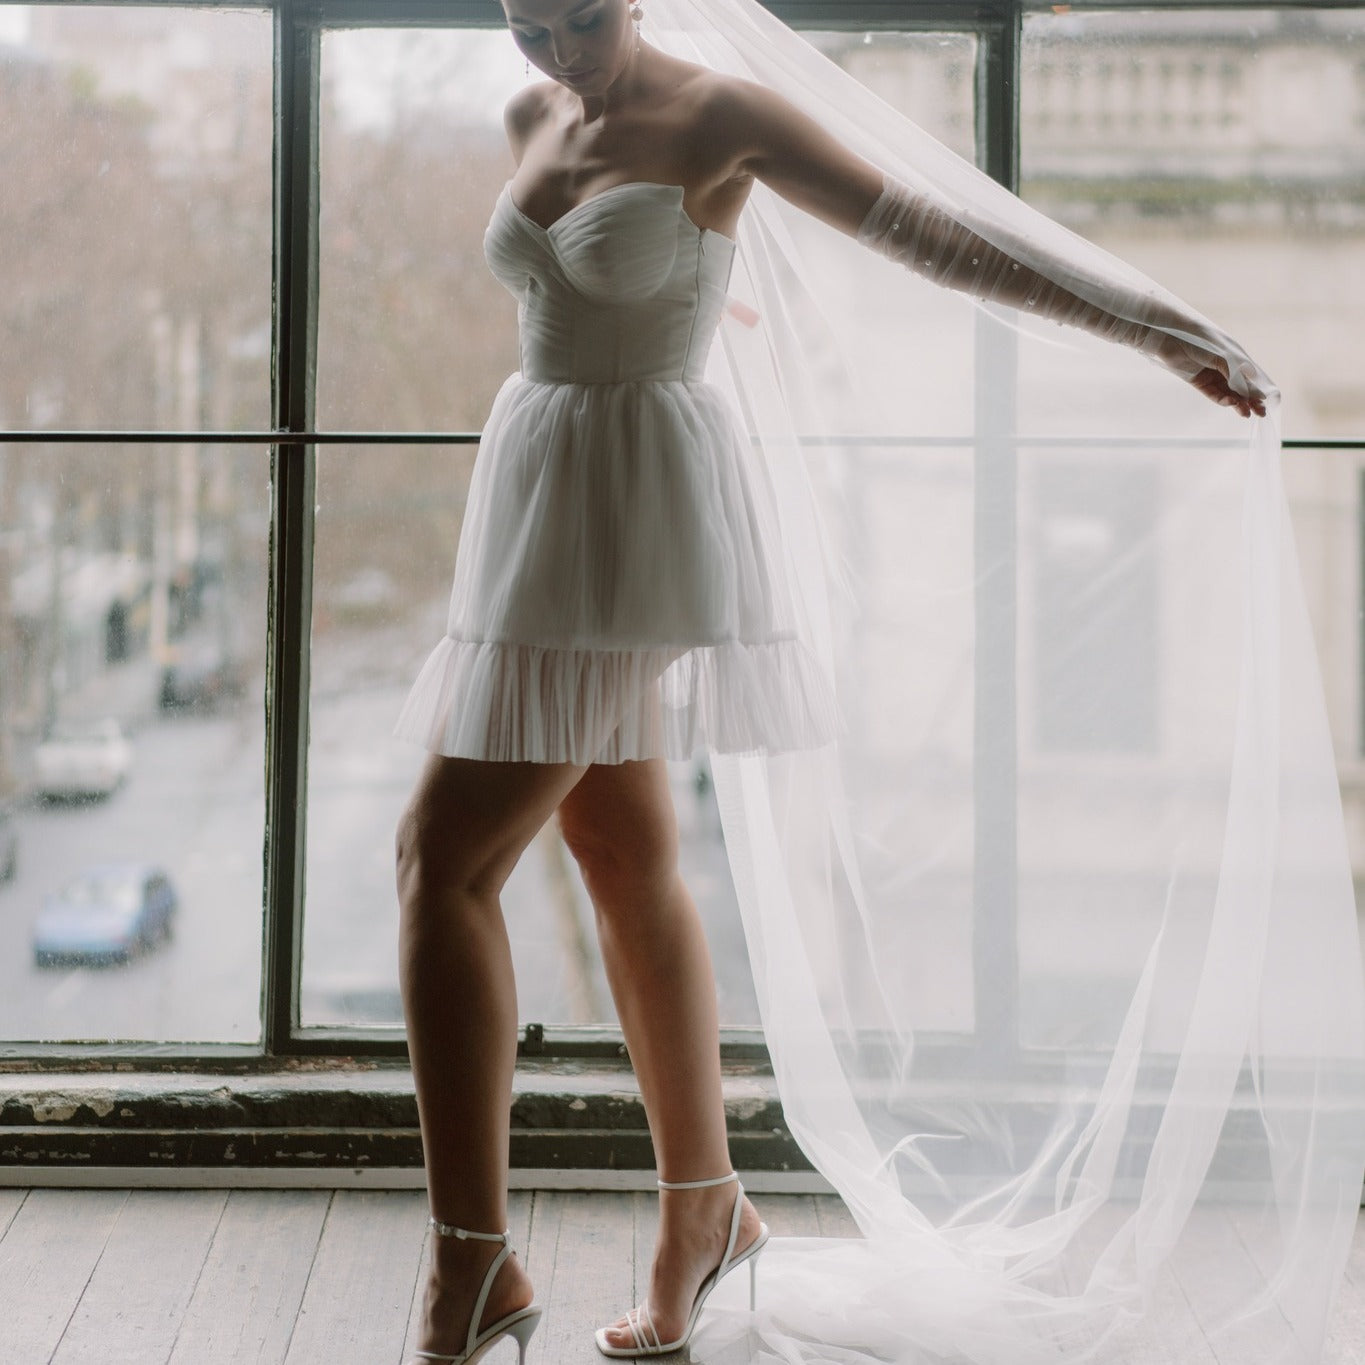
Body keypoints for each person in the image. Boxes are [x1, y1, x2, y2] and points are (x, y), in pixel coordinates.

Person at [392, 1, 1286, 1362]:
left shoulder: (719, 116)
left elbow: (935, 232)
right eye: (527, 27)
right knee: (618, 849)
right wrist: (687, 292)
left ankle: (473, 1264)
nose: (558, 54)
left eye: (579, 21)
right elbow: (577, 291)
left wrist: (1158, 325)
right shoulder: (535, 113)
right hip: (540, 506)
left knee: (438, 860)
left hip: (631, 522)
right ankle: (704, 1212)